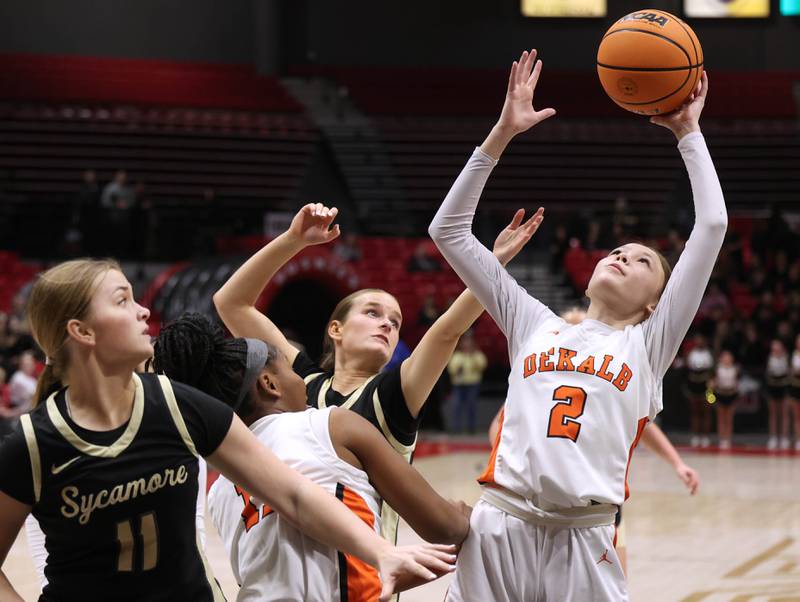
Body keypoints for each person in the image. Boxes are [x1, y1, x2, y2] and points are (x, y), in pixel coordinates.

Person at [428, 49, 724, 602]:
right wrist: (502, 133)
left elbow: (712, 224)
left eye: (641, 261)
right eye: (616, 250)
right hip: (499, 527)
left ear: (657, 304)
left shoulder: (648, 345)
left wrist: (689, 133)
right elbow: (447, 231)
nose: (621, 256)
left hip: (584, 538)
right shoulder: (532, 322)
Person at [0, 259, 456, 602]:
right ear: (81, 331)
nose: (143, 311)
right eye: (123, 300)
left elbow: (294, 495)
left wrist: (380, 552)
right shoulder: (31, 443)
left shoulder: (180, 408)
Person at [213, 201, 540, 556]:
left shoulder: (394, 393)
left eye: (395, 321)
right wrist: (292, 240)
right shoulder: (301, 381)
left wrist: (491, 266)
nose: (387, 323)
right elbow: (231, 303)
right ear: (335, 329)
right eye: (373, 313)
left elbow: (448, 331)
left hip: (364, 575)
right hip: (287, 561)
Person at [151, 312, 470, 601]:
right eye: (291, 371)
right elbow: (444, 526)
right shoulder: (329, 424)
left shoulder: (220, 488)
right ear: (269, 383)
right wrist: (474, 513)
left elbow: (306, 578)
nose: (301, 381)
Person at [447, 331, 487, 434]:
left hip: (472, 384)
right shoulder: (457, 355)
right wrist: (458, 366)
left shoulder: (476, 354)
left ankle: (471, 428)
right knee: (456, 406)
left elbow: (482, 364)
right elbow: (451, 368)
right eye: (465, 341)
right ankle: (456, 429)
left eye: (469, 341)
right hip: (459, 385)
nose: (467, 343)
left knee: (471, 406)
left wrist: (473, 357)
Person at [685, 334, 715, 448]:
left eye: (701, 340)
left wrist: (711, 383)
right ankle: (696, 436)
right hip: (694, 385)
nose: (699, 342)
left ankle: (705, 437)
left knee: (706, 411)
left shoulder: (708, 354)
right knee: (695, 411)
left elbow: (712, 370)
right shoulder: (691, 354)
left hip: (705, 386)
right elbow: (688, 370)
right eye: (697, 340)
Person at [765, 338, 790, 450]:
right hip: (772, 387)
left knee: (784, 413)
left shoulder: (787, 358)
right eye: (773, 346)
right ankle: (774, 437)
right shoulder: (770, 358)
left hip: (784, 386)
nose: (775, 348)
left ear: (781, 347)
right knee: (773, 413)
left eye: (777, 346)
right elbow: (767, 373)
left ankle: (784, 437)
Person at [711, 349, 739, 450]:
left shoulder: (735, 369)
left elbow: (737, 383)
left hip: (731, 394)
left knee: (729, 418)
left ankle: (728, 439)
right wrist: (713, 387)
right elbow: (712, 383)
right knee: (721, 418)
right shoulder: (718, 369)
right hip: (720, 394)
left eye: (728, 357)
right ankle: (722, 439)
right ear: (721, 359)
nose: (726, 359)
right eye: (725, 357)